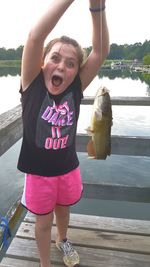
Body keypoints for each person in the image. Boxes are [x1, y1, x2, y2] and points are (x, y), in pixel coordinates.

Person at [17, 0, 109, 267]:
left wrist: (97, 8)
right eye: (55, 57)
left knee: (64, 210)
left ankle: (63, 239)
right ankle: (45, 263)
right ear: (42, 61)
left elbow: (101, 51)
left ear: (75, 72)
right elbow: (36, 36)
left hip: (68, 168)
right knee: (43, 222)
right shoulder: (32, 84)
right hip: (38, 173)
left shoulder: (75, 88)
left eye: (70, 63)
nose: (60, 67)